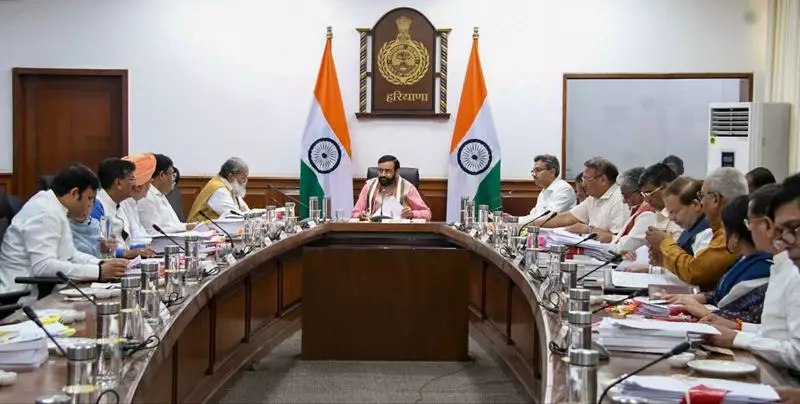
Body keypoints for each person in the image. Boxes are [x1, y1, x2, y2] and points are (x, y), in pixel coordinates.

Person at [702, 180, 800, 372]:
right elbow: (778, 333)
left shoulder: (793, 271)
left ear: (767, 225)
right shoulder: (781, 265)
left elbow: (796, 352)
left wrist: (738, 338)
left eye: (792, 227)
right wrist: (739, 327)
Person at [0, 164, 128, 303]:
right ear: (74, 193)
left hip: (43, 292)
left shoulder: (56, 207)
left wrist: (103, 264)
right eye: (89, 198)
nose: (91, 204)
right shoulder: (45, 212)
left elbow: (70, 254)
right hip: (20, 297)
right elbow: (43, 266)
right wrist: (99, 271)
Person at [665, 195, 772, 322]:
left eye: (723, 229)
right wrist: (697, 298)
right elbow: (720, 294)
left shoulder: (765, 268)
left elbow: (753, 318)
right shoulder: (743, 260)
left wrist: (709, 313)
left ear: (735, 236)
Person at [646, 168, 747, 290]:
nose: (701, 202)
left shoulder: (729, 233)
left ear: (715, 199)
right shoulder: (720, 229)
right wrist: (664, 260)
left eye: (702, 196)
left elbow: (695, 272)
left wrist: (665, 243)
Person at [532, 157, 628, 243]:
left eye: (587, 179)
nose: (583, 184)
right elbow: (566, 218)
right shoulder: (593, 198)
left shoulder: (621, 199)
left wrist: (589, 230)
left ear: (603, 180)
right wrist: (530, 224)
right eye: (583, 179)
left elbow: (618, 238)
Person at [613, 164, 682, 254]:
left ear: (666, 187)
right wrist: (632, 255)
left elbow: (680, 256)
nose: (646, 199)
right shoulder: (658, 213)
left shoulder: (683, 216)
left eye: (649, 193)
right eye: (643, 194)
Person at [352, 155, 431, 220]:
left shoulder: (408, 188)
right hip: (373, 230)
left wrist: (413, 213)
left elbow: (427, 214)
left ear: (397, 172)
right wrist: (360, 215)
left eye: (388, 171)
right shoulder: (369, 186)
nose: (383, 174)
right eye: (380, 171)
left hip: (399, 231)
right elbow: (355, 212)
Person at [138, 154, 197, 234]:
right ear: (162, 175)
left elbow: (174, 224)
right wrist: (186, 227)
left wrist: (190, 226)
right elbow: (154, 233)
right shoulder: (146, 197)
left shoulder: (160, 194)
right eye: (172, 175)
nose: (173, 180)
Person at [516, 154, 575, 226]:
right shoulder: (544, 191)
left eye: (538, 170)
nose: (533, 174)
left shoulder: (564, 189)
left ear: (552, 172)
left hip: (557, 232)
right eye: (533, 171)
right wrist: (513, 219)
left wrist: (516, 222)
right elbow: (534, 216)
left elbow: (547, 218)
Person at [187, 157, 251, 222]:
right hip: (198, 227)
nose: (245, 181)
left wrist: (251, 214)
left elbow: (244, 209)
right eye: (243, 178)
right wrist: (249, 215)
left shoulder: (232, 186)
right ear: (231, 177)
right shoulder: (219, 189)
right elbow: (234, 216)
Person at [120, 153, 156, 247]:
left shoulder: (133, 202)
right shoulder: (122, 203)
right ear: (138, 186)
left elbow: (142, 236)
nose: (150, 188)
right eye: (149, 183)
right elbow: (129, 242)